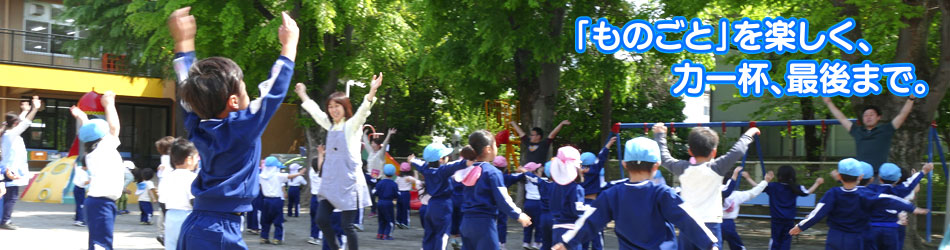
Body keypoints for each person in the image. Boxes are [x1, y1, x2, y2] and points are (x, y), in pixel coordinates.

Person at [167, 6, 299, 249]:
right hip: (218, 230)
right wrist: (289, 47)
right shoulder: (242, 127)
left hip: (198, 224)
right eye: (246, 88)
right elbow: (273, 92)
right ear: (234, 102)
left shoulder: (198, 125)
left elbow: (188, 91)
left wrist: (183, 41)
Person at [552, 137, 718, 250]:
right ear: (656, 165)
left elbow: (589, 220)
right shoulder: (662, 193)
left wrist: (566, 242)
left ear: (624, 164)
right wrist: (710, 244)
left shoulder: (612, 195)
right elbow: (687, 218)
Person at [296, 71, 383, 250]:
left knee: (347, 226)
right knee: (320, 219)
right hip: (331, 183)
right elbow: (316, 113)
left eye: (337, 106)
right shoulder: (330, 125)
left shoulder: (351, 125)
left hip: (349, 183)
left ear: (345, 107)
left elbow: (362, 112)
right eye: (330, 107)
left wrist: (372, 91)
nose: (333, 110)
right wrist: (303, 94)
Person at [653, 123, 758, 249]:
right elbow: (738, 150)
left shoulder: (682, 168)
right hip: (711, 224)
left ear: (690, 151)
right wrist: (749, 133)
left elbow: (664, 158)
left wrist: (660, 135)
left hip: (688, 223)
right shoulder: (717, 168)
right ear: (714, 152)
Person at [790, 158, 929, 249]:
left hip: (835, 237)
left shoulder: (833, 193)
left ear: (839, 176)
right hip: (856, 238)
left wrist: (801, 226)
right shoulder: (867, 194)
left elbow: (818, 213)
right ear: (861, 177)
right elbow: (889, 200)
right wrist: (912, 208)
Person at [456, 130, 532, 250]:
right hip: (484, 224)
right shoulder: (492, 172)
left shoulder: (465, 170)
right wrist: (518, 214)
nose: (496, 147)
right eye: (495, 145)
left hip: (466, 222)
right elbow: (502, 198)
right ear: (488, 149)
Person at [69, 92, 123, 249]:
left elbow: (91, 131)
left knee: (99, 242)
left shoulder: (95, 149)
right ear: (101, 137)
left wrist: (82, 116)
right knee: (101, 244)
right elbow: (114, 128)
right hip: (102, 202)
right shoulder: (103, 148)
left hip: (99, 202)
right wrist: (109, 104)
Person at [823, 96, 914, 176]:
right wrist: (829, 102)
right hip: (860, 176)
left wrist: (911, 99)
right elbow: (842, 118)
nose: (868, 117)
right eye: (865, 115)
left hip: (879, 175)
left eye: (871, 115)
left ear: (879, 117)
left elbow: (902, 115)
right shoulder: (857, 131)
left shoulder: (886, 130)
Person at [409, 142, 472, 250]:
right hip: (444, 205)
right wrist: (472, 157)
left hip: (431, 204)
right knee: (442, 234)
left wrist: (412, 160)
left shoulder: (425, 168)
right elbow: (460, 164)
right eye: (445, 156)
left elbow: (417, 163)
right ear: (441, 159)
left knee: (429, 234)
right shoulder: (443, 171)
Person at [865, 162, 930, 250]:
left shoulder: (872, 190)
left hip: (873, 228)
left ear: (879, 178)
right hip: (892, 229)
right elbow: (910, 185)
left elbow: (860, 187)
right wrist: (922, 172)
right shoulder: (899, 191)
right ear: (897, 179)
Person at [0, 96, 41, 230]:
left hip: (8, 169)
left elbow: (20, 122)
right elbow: (25, 123)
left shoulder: (8, 133)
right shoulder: (11, 134)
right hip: (10, 171)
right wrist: (34, 109)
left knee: (7, 195)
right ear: (15, 123)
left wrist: (24, 111)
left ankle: (5, 219)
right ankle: (5, 220)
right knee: (11, 197)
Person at [764, 165, 824, 250]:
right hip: (789, 219)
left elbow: (758, 188)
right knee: (786, 240)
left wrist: (751, 178)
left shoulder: (773, 186)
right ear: (792, 176)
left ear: (779, 176)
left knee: (775, 240)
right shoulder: (795, 188)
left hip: (776, 219)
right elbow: (807, 192)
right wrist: (817, 183)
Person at [158, 138, 199, 250]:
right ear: (189, 159)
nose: (198, 160)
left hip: (170, 217)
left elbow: (162, 202)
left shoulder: (166, 177)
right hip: (188, 217)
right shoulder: (192, 178)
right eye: (196, 157)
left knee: (171, 246)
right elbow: (194, 201)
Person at [578, 136, 616, 250]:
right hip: (593, 204)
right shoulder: (594, 171)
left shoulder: (576, 175)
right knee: (597, 232)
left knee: (583, 232)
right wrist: (607, 145)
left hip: (580, 205)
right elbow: (601, 158)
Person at [258, 156, 306, 245]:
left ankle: (264, 237)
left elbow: (261, 187)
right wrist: (299, 173)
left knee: (265, 220)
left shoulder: (261, 176)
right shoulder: (277, 175)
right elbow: (289, 176)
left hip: (266, 200)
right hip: (276, 200)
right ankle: (277, 238)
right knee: (278, 219)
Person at [721, 168, 772, 250]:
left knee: (714, 246)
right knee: (738, 246)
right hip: (729, 224)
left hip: (714, 222)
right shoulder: (737, 195)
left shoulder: (713, 192)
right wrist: (765, 181)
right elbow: (753, 192)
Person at [548, 146, 586, 250]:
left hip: (556, 229)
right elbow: (577, 211)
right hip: (571, 231)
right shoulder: (576, 189)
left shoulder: (553, 186)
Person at [154, 136, 175, 245]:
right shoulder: (173, 160)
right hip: (171, 195)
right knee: (171, 219)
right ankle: (167, 237)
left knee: (164, 215)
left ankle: (163, 234)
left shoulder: (163, 160)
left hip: (163, 194)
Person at [375, 164, 399, 240]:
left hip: (380, 202)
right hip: (388, 203)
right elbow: (397, 194)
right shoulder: (393, 184)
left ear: (384, 173)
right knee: (390, 220)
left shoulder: (380, 183)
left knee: (381, 219)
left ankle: (380, 234)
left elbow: (374, 192)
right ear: (393, 173)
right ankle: (387, 235)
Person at [308, 146, 326, 245]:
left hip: (313, 197)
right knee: (321, 219)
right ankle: (317, 237)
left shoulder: (311, 173)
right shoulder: (322, 175)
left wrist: (321, 153)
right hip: (321, 198)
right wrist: (322, 154)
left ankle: (312, 235)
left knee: (313, 218)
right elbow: (321, 166)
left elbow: (315, 165)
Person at [395, 162, 420, 229]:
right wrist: (416, 173)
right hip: (406, 194)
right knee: (405, 209)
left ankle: (398, 220)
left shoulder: (398, 177)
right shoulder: (409, 178)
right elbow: (417, 181)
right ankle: (405, 222)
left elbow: (395, 185)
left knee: (399, 208)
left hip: (399, 193)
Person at [72, 162, 90, 227]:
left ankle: (77, 219)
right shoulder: (84, 173)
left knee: (78, 204)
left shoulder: (79, 168)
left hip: (76, 188)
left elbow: (74, 166)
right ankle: (80, 220)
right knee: (81, 205)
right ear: (85, 166)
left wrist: (74, 163)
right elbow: (84, 182)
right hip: (80, 189)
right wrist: (91, 180)